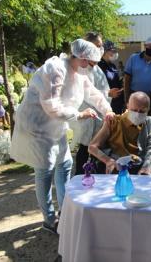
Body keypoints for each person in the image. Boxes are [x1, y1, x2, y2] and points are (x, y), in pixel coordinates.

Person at [10, 39, 115, 233]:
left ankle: (66, 210)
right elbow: (51, 105)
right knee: (45, 170)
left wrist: (107, 111)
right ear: (82, 59)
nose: (93, 69)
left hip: (56, 125)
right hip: (37, 127)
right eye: (92, 64)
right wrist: (79, 114)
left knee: (65, 164)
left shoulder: (79, 73)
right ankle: (50, 220)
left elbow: (93, 94)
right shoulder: (55, 69)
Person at [89, 91, 151, 175]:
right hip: (116, 166)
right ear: (127, 106)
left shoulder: (150, 122)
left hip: (140, 166)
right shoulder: (113, 122)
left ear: (148, 110)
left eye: (142, 111)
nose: (137, 114)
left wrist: (147, 168)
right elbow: (92, 147)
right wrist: (108, 161)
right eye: (134, 110)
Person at [72, 32, 111, 176]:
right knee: (85, 149)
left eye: (101, 46)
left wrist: (107, 103)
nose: (100, 49)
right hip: (86, 116)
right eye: (98, 45)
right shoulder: (80, 67)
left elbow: (95, 91)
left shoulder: (95, 67)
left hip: (98, 114)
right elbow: (86, 93)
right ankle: (80, 178)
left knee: (96, 149)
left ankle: (95, 176)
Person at [124, 37, 151, 118]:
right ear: (145, 46)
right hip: (136, 97)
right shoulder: (133, 58)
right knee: (135, 121)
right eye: (149, 47)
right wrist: (126, 98)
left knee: (150, 120)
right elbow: (127, 79)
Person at [98, 40, 125, 114]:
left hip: (118, 103)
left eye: (115, 50)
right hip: (107, 103)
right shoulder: (99, 66)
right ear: (104, 52)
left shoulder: (112, 66)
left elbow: (116, 81)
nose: (115, 53)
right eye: (112, 50)